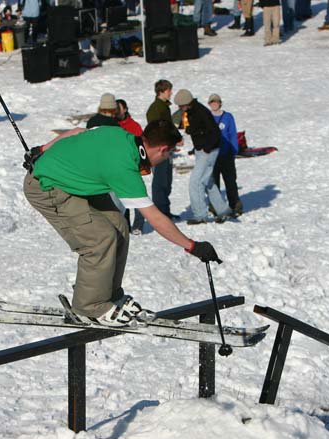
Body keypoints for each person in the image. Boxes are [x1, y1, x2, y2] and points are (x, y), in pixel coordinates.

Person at [23, 120, 222, 326]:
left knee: (119, 226)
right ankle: (89, 307)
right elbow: (155, 218)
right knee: (99, 239)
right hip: (47, 186)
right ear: (163, 149)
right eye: (169, 154)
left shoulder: (119, 135)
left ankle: (109, 295)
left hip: (74, 182)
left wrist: (41, 149)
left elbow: (76, 132)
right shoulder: (125, 166)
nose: (167, 158)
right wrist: (192, 246)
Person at [174, 89, 233, 224]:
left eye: (181, 106)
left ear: (187, 103)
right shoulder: (191, 111)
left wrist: (206, 148)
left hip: (208, 150)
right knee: (208, 181)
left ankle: (200, 215)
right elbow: (198, 129)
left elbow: (214, 132)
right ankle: (223, 210)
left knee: (196, 182)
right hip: (202, 150)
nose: (180, 108)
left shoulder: (200, 111)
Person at [146, 79, 179, 221]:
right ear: (161, 91)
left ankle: (165, 209)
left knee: (167, 180)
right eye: (168, 90)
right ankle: (161, 212)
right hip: (159, 150)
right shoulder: (156, 108)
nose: (171, 93)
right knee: (160, 180)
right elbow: (157, 130)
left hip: (167, 149)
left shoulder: (164, 107)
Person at [208, 94, 243, 217]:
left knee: (230, 181)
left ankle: (235, 205)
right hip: (213, 155)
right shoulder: (208, 117)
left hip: (226, 154)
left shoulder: (227, 117)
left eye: (216, 102)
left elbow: (232, 134)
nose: (214, 104)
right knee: (214, 183)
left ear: (220, 103)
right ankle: (215, 206)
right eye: (212, 102)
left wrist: (234, 150)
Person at [116, 99, 147, 235]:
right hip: (117, 168)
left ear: (125, 109)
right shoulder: (113, 126)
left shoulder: (134, 126)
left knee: (137, 196)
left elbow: (141, 146)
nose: (117, 111)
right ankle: (125, 225)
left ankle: (138, 226)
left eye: (119, 109)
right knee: (120, 198)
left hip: (133, 167)